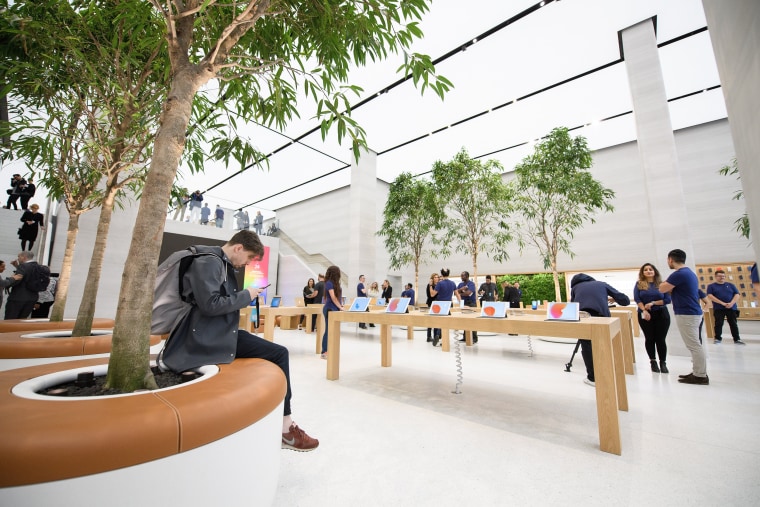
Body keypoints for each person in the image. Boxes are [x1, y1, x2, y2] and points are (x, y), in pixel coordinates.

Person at [156, 230, 318, 451]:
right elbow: (211, 304)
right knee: (280, 353)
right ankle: (286, 428)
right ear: (238, 248)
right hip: (204, 337)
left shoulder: (219, 263)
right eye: (250, 258)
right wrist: (247, 295)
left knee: (277, 352)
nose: (248, 263)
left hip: (216, 333)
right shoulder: (209, 262)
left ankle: (285, 426)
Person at [570, 273, 631, 387]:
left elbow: (573, 305)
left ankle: (592, 378)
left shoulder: (575, 288)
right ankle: (610, 373)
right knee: (605, 345)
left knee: (587, 346)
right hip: (602, 317)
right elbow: (625, 300)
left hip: (583, 317)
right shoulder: (601, 284)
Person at [659, 249, 708, 385]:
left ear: (670, 259)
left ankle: (700, 375)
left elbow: (662, 288)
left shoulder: (679, 274)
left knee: (694, 345)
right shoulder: (689, 273)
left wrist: (665, 285)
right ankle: (698, 371)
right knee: (694, 345)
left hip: (687, 313)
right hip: (691, 312)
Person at [633, 263, 672, 373]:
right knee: (649, 338)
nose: (648, 271)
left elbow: (667, 300)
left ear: (655, 271)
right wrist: (644, 310)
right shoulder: (639, 284)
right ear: (642, 272)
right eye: (646, 270)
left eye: (650, 269)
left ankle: (663, 362)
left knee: (660, 339)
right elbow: (637, 299)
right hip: (645, 315)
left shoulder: (662, 284)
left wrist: (653, 303)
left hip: (661, 314)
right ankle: (653, 361)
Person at [707, 269, 745, 344]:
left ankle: (737, 339)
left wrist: (731, 303)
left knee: (733, 323)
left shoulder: (731, 285)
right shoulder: (711, 286)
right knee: (719, 323)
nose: (722, 277)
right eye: (720, 276)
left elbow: (737, 294)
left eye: (723, 276)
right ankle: (718, 338)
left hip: (731, 308)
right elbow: (710, 296)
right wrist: (722, 303)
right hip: (719, 308)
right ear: (716, 276)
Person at [4, 251, 40, 320]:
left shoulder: (23, 266)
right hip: (32, 298)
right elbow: (29, 276)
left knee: (10, 319)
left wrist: (9, 280)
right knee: (22, 319)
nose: (18, 258)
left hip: (18, 298)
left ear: (24, 257)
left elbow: (17, 280)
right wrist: (17, 267)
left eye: (19, 256)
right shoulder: (38, 266)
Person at [430, 268, 460, 347]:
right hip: (448, 304)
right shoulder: (453, 283)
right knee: (445, 323)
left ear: (442, 274)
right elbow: (457, 294)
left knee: (440, 322)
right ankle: (443, 339)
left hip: (440, 305)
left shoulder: (440, 283)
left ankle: (438, 334)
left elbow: (432, 294)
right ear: (448, 274)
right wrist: (461, 303)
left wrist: (430, 286)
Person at [321, 265, 343, 360]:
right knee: (328, 330)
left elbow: (338, 297)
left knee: (333, 331)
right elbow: (333, 297)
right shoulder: (329, 283)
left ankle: (330, 349)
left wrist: (340, 306)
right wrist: (340, 307)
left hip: (335, 308)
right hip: (330, 308)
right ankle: (324, 351)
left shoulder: (336, 283)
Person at [455, 271, 478, 343]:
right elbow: (455, 292)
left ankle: (474, 338)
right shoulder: (460, 284)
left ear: (467, 276)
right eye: (461, 276)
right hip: (464, 304)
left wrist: (460, 292)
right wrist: (462, 289)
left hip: (471, 304)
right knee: (465, 320)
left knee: (472, 321)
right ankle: (465, 337)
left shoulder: (471, 284)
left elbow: (469, 293)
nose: (461, 277)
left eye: (463, 276)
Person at [425, 273, 439, 342]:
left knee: (436, 321)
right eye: (435, 277)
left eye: (437, 277)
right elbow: (429, 295)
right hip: (431, 304)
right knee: (430, 320)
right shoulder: (429, 285)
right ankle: (429, 336)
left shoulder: (439, 285)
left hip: (437, 304)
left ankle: (435, 336)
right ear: (432, 278)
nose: (437, 278)